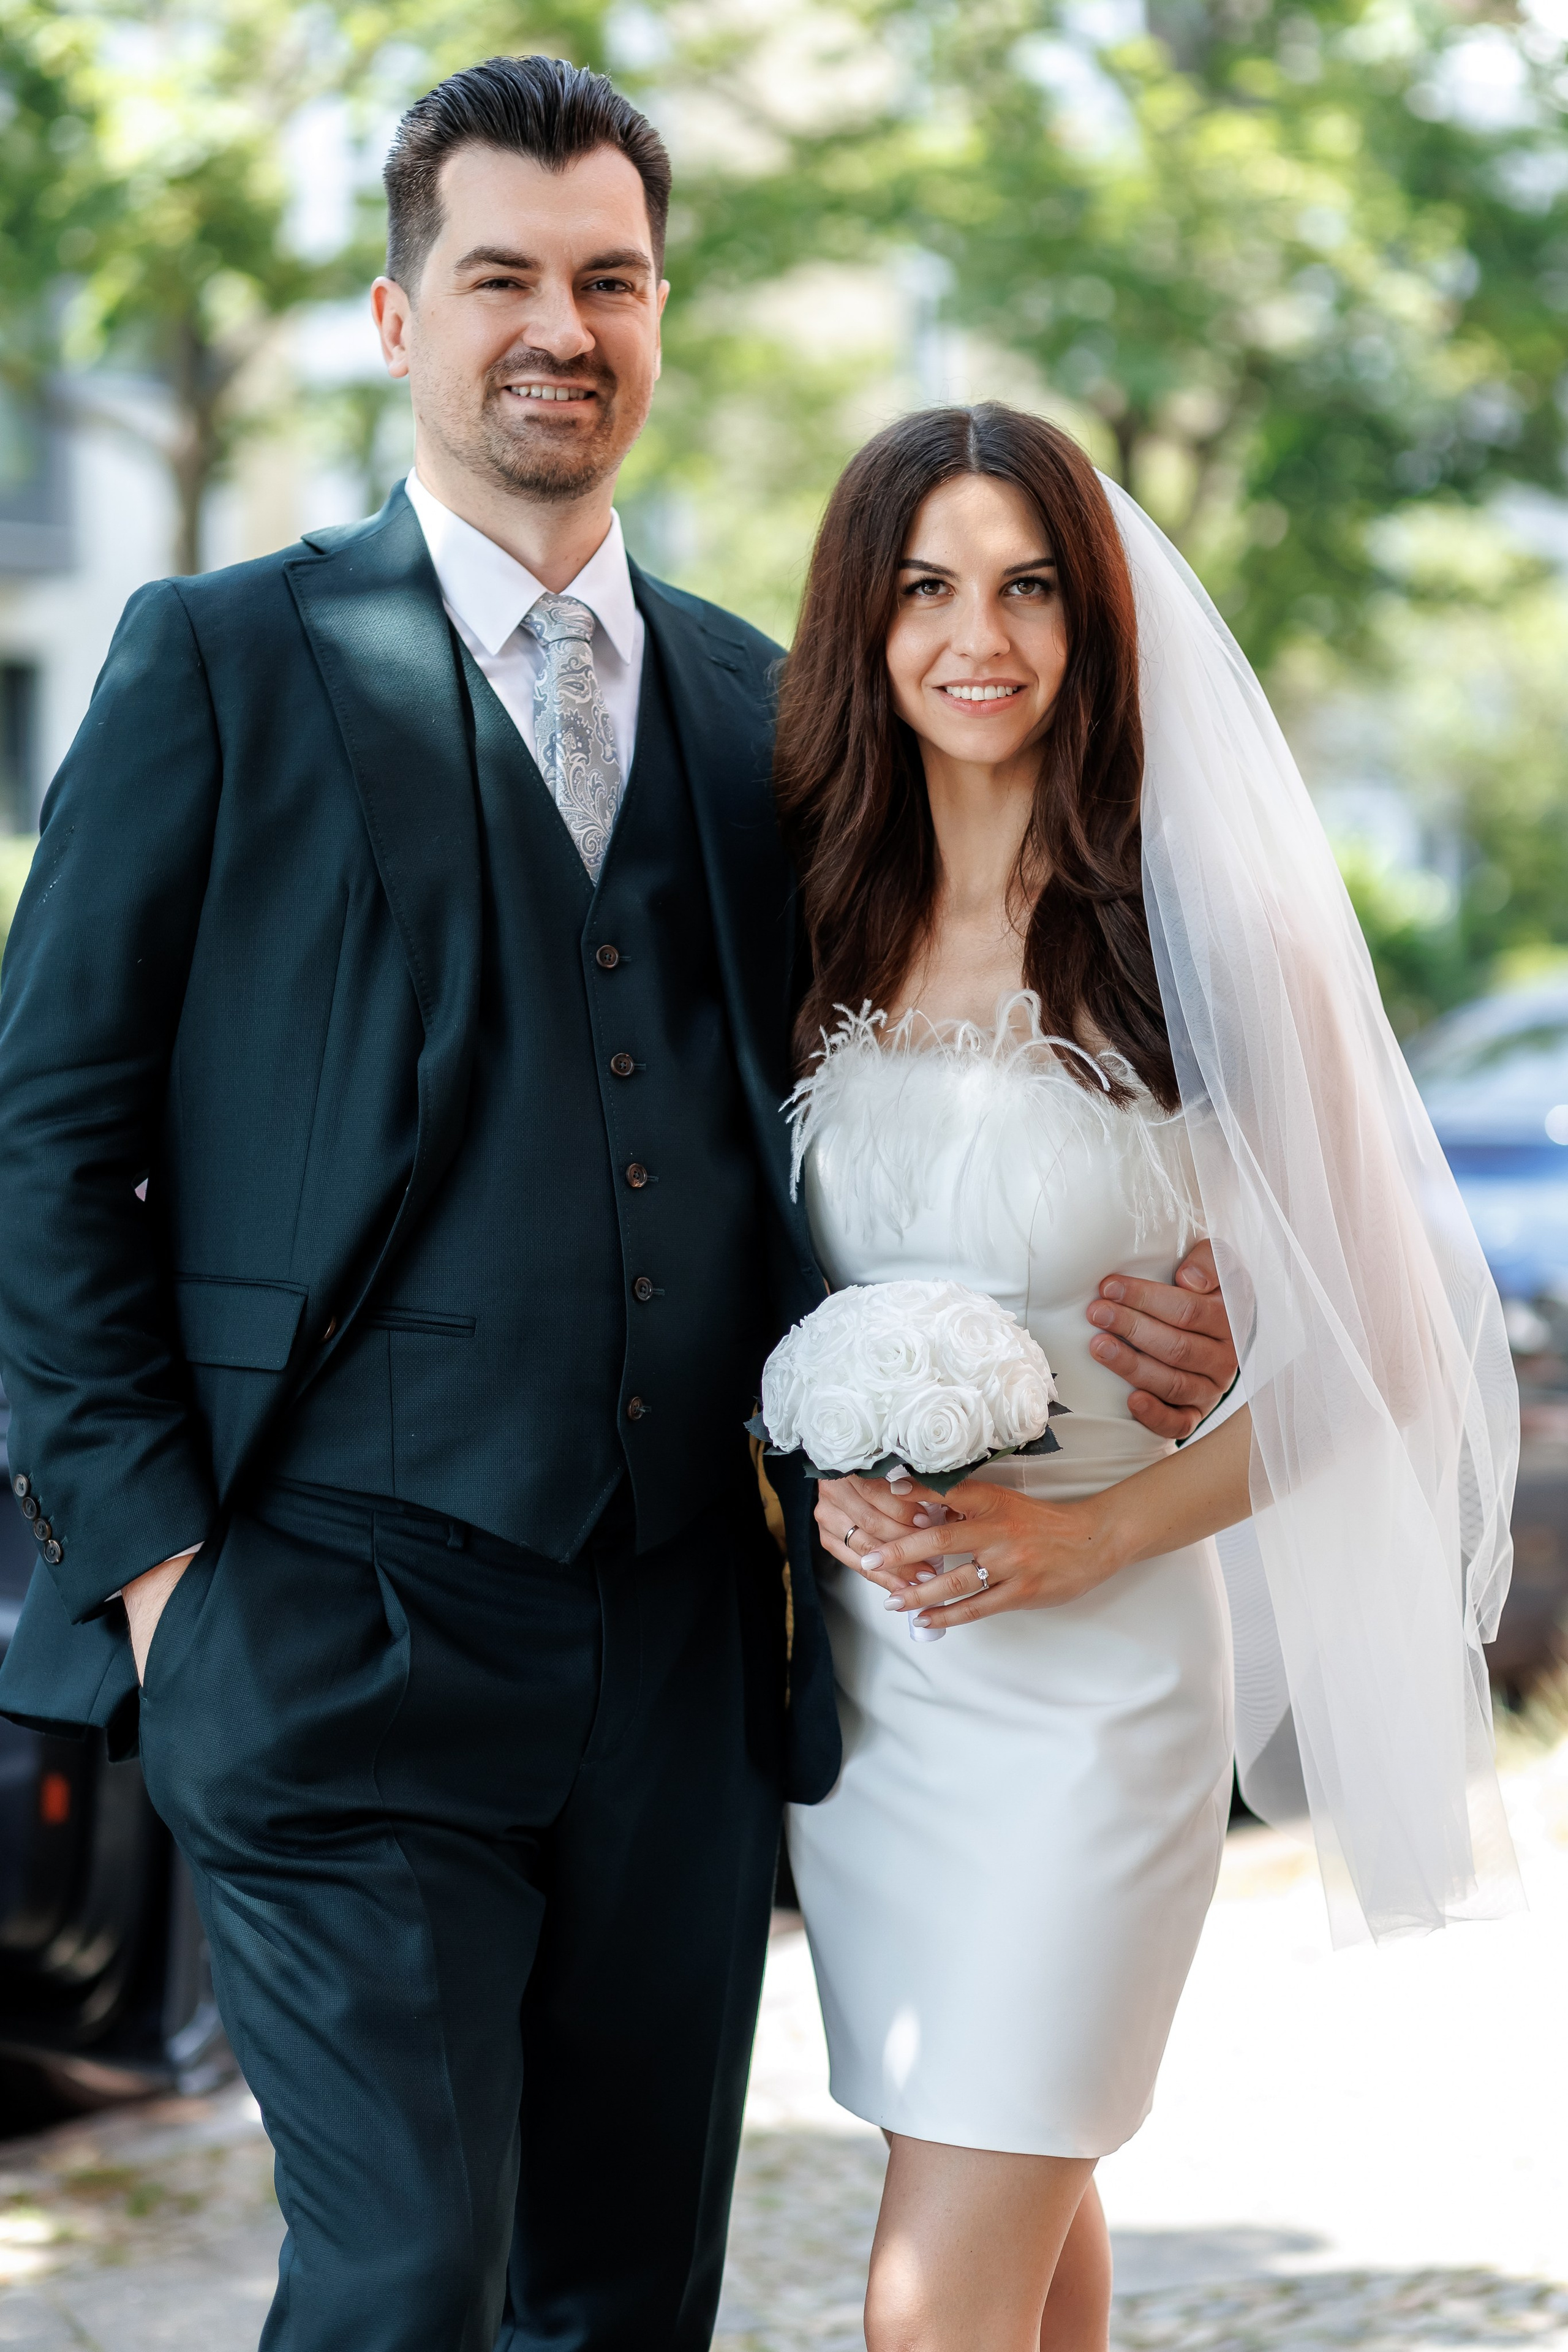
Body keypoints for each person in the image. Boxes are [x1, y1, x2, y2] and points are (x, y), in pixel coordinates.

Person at [0, 61, 1236, 2352]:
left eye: (610, 280)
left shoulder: (772, 722)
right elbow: (45, 1139)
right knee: (397, 2280)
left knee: (620, 2296)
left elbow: (908, 1101)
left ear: (658, 317)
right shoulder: (223, 661)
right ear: (395, 315)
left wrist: (1165, 1302)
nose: (558, 325)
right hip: (325, 1623)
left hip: (676, 1650)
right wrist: (159, 1568)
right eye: (501, 277)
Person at [773, 404, 1521, 2352]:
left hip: (1096, 1689)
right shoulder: (816, 924)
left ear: (1094, 624)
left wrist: (1090, 1533)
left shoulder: (1204, 941)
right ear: (865, 623)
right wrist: (825, 1488)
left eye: (1028, 587)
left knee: (935, 2289)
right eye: (928, 587)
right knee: (1019, 2169)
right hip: (880, 1697)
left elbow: (1385, 1364)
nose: (980, 638)